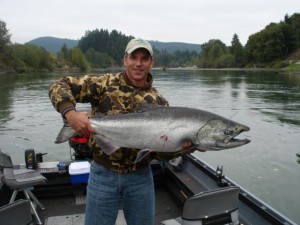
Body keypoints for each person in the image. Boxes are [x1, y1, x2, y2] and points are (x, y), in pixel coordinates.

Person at [49, 38, 191, 225]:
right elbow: (59, 85)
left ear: (151, 63)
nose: (138, 64)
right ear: (125, 60)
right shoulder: (103, 84)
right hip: (103, 174)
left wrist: (184, 148)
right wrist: (70, 113)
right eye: (134, 57)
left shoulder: (160, 102)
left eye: (144, 58)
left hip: (141, 177)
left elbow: (162, 154)